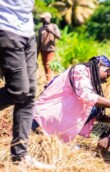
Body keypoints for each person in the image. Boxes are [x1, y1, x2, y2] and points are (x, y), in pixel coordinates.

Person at [0, 0, 54, 169]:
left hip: (28, 32)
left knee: (30, 93)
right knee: (18, 90)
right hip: (5, 27)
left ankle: (20, 156)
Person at [32, 56, 110, 143]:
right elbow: (87, 97)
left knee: (95, 107)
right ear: (100, 65)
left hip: (49, 123)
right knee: (94, 105)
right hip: (41, 120)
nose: (105, 80)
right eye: (108, 72)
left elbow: (97, 116)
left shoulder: (88, 80)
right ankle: (55, 135)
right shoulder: (80, 70)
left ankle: (58, 136)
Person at [37, 12, 61, 82]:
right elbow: (38, 42)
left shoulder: (54, 26)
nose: (44, 19)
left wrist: (51, 31)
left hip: (50, 50)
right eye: (43, 18)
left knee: (48, 66)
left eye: (45, 18)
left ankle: (49, 82)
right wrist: (37, 53)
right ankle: (48, 81)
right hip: (42, 50)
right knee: (45, 66)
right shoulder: (41, 29)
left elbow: (59, 36)